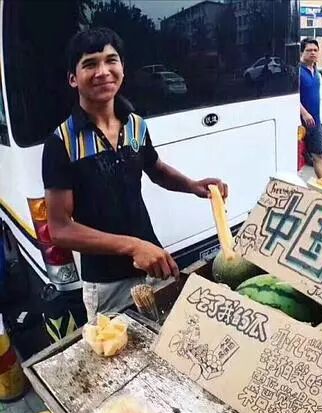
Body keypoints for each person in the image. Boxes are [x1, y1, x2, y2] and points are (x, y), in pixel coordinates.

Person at [42, 27, 228, 320]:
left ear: (122, 68)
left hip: (154, 265)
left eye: (110, 60)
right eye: (90, 64)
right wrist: (132, 246)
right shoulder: (61, 143)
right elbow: (60, 229)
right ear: (73, 78)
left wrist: (192, 185)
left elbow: (155, 169)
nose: (103, 71)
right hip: (107, 285)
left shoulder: (135, 125)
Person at [299, 38, 322, 182]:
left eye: (315, 50)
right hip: (299, 122)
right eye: (309, 50)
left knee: (319, 155)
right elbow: (291, 96)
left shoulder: (316, 72)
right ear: (302, 52)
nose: (313, 53)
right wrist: (304, 113)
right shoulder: (297, 71)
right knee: (297, 157)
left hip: (315, 121)